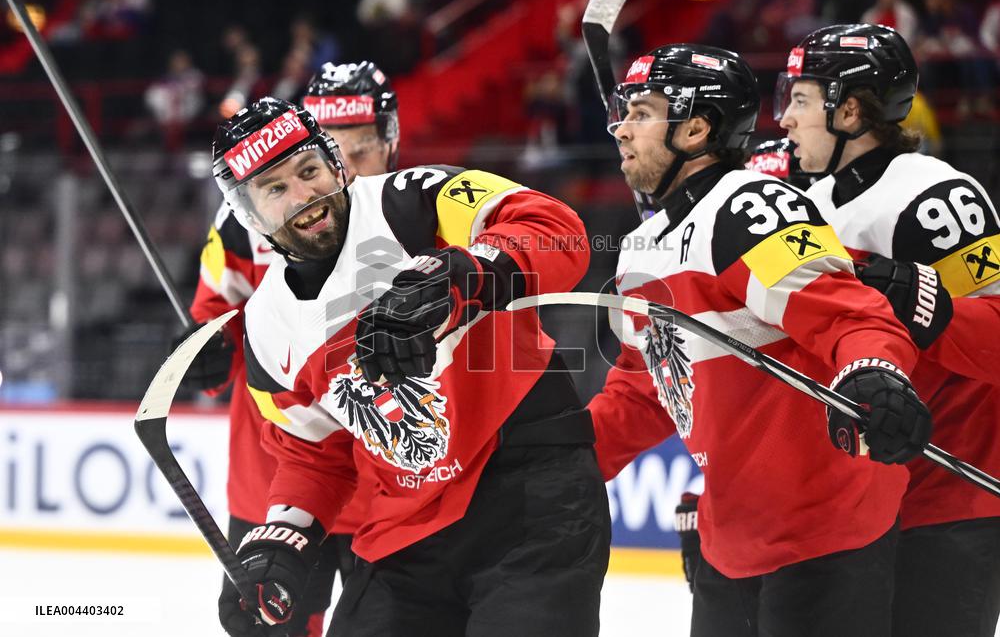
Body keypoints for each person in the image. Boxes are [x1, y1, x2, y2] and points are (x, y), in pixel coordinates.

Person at [211, 96, 605, 636]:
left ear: (335, 163)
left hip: (531, 495)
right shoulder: (265, 326)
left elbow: (557, 228)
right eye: (276, 189)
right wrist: (286, 537)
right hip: (403, 532)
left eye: (309, 171)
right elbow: (314, 454)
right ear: (250, 214)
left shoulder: (414, 198)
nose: (305, 197)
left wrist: (464, 272)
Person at [588, 43, 932, 636]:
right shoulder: (641, 249)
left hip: (827, 530)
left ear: (695, 129)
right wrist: (563, 455)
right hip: (732, 539)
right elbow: (649, 390)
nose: (622, 128)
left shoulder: (750, 208)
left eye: (642, 113)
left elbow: (853, 316)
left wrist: (875, 369)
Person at [776, 23, 1000, 637]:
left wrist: (924, 302)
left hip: (946, 500)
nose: (785, 121)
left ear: (849, 109)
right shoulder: (809, 206)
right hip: (849, 507)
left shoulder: (936, 196)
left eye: (800, 100)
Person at [182, 61, 403, 637]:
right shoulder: (241, 222)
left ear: (390, 141)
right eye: (330, 151)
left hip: (392, 484)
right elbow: (213, 319)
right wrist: (204, 352)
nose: (335, 175)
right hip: (276, 480)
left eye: (360, 150)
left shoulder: (409, 211)